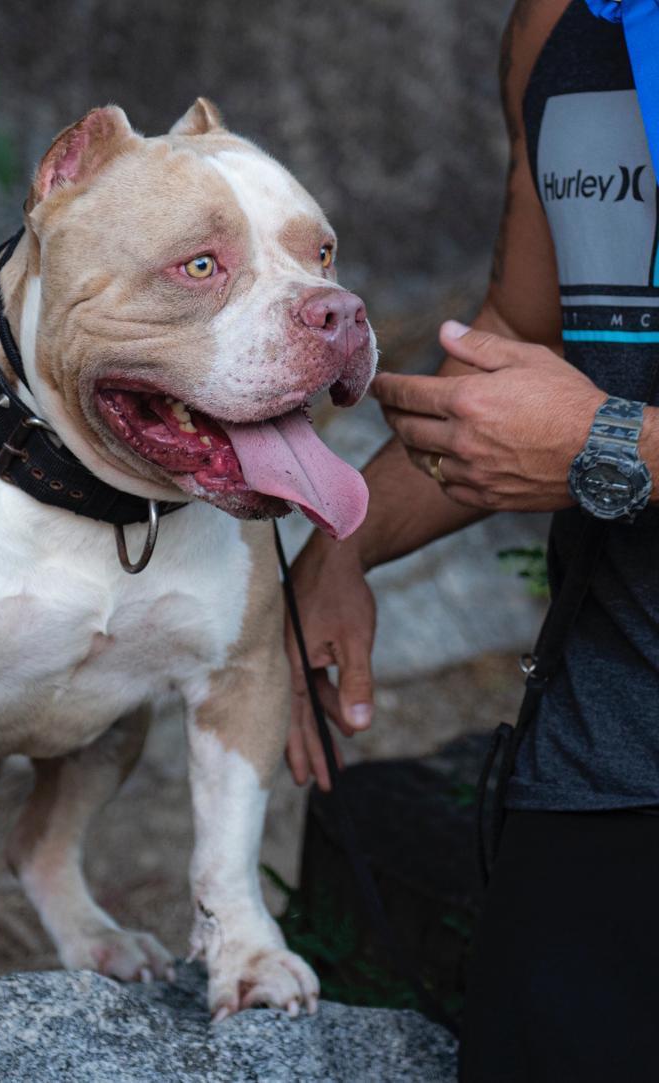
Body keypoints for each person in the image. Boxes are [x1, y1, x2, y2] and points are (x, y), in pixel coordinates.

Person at [285, 1, 659, 1078]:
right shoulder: (559, 24)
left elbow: (592, 429)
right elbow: (524, 330)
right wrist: (339, 545)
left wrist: (617, 445)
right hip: (604, 754)